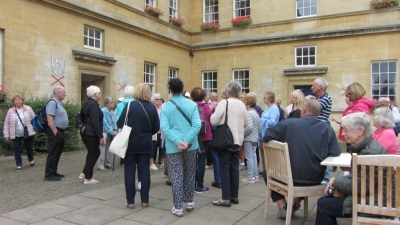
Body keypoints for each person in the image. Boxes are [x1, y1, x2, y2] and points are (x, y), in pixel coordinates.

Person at [263, 99, 341, 219]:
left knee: (266, 173)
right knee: (306, 171)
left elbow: (267, 135)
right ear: (318, 113)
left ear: (303, 109)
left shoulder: (288, 124)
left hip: (287, 176)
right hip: (315, 177)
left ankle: (283, 205)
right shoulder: (327, 129)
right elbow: (335, 153)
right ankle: (294, 203)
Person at [315, 112, 387, 225]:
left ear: (360, 131)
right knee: (326, 200)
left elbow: (362, 186)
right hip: (374, 197)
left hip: (376, 203)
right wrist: (336, 182)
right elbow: (361, 179)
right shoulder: (364, 148)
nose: (343, 134)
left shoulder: (369, 153)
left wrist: (336, 182)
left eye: (346, 130)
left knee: (325, 205)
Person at [160, 78, 201, 217]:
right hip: (191, 145)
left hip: (173, 146)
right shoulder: (192, 105)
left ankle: (178, 207)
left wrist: (178, 141)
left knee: (176, 176)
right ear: (183, 89)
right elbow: (197, 125)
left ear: (170, 90)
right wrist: (186, 141)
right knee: (190, 173)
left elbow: (164, 127)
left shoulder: (166, 106)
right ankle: (189, 201)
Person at [117, 83, 159, 209]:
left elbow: (120, 122)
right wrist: (146, 133)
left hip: (130, 142)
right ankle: (145, 201)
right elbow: (156, 127)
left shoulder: (130, 105)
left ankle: (130, 201)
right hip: (146, 142)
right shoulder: (152, 107)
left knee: (129, 171)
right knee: (144, 171)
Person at [210, 80, 248, 207]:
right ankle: (234, 196)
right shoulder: (242, 105)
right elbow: (246, 123)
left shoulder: (224, 103)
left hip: (226, 140)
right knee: (234, 168)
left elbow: (213, 121)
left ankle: (225, 198)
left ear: (228, 91)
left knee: (224, 168)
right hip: (237, 140)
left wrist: (215, 111)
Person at [331, 83, 375, 151]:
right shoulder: (357, 104)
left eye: (347, 95)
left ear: (353, 94)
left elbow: (359, 124)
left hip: (357, 138)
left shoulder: (360, 105)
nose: (346, 98)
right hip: (354, 136)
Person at [3, 95, 36, 171]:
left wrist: (34, 130)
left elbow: (34, 119)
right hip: (15, 133)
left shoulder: (28, 109)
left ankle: (31, 160)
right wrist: (6, 134)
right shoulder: (10, 111)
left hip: (27, 132)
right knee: (16, 149)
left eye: (19, 99)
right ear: (13, 102)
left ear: (22, 100)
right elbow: (6, 123)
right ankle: (19, 165)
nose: (17, 101)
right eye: (15, 100)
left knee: (29, 147)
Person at [79, 85, 104, 184]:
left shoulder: (86, 103)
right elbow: (94, 121)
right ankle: (88, 178)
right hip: (91, 133)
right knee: (94, 153)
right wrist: (100, 136)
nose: (100, 95)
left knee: (93, 153)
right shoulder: (93, 104)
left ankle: (85, 173)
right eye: (99, 93)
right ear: (95, 94)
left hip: (86, 131)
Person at [44, 86, 68, 181]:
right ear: (58, 93)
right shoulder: (52, 103)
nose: (65, 94)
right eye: (63, 92)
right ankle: (49, 174)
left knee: (58, 152)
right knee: (53, 153)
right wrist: (55, 132)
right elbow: (50, 118)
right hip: (55, 131)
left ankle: (54, 171)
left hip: (60, 131)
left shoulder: (59, 103)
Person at [311, 77, 333, 183]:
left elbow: (313, 110)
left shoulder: (325, 98)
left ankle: (325, 178)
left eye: (314, 85)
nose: (312, 87)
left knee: (321, 153)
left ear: (320, 87)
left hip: (321, 129)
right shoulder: (319, 98)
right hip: (317, 128)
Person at [191, 87, 212, 194]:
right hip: (205, 136)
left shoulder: (190, 106)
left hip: (193, 136)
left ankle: (191, 184)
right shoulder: (207, 107)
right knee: (201, 161)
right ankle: (200, 185)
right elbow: (210, 120)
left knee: (192, 161)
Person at [241, 94, 260, 183]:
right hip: (255, 137)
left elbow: (249, 127)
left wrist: (242, 133)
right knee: (253, 156)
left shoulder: (249, 113)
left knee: (249, 157)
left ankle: (250, 176)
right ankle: (255, 175)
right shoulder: (255, 113)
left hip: (249, 138)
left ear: (248, 104)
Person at [116, 86, 135, 167]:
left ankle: (123, 161)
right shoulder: (136, 103)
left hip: (123, 127)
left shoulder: (120, 105)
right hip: (133, 127)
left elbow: (118, 117)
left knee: (124, 144)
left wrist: (118, 129)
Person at [97, 96, 117, 172]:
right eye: (111, 102)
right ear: (106, 104)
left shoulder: (112, 112)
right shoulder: (103, 111)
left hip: (110, 132)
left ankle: (107, 163)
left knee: (108, 148)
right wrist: (112, 131)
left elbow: (114, 121)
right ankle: (100, 165)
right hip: (104, 132)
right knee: (102, 149)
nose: (113, 104)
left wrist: (115, 129)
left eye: (113, 102)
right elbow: (104, 123)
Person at [209, 91, 221, 189]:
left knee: (216, 154)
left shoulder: (218, 105)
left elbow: (213, 120)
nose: (211, 98)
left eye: (213, 97)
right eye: (210, 97)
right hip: (219, 130)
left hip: (215, 130)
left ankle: (218, 180)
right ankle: (220, 179)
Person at [150, 93, 163, 171]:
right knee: (153, 147)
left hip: (161, 131)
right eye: (157, 99)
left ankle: (162, 162)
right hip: (154, 131)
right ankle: (151, 163)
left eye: (160, 99)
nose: (159, 101)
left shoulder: (162, 108)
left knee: (162, 147)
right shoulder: (152, 108)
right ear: (153, 100)